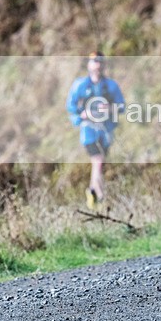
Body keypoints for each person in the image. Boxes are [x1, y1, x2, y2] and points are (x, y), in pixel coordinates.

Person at [66, 51, 125, 210]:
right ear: (89, 64)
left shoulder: (111, 86)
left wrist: (110, 108)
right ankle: (101, 197)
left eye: (100, 61)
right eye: (94, 61)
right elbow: (71, 107)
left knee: (99, 164)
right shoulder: (80, 85)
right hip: (89, 131)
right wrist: (81, 116)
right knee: (97, 161)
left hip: (106, 131)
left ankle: (91, 194)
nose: (97, 65)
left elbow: (122, 106)